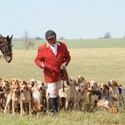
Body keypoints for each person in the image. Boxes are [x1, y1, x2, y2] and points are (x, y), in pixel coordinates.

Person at [35, 30, 71, 114]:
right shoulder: (42, 48)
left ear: (55, 37)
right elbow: (37, 60)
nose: (50, 41)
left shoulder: (62, 46)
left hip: (61, 73)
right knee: (52, 90)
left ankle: (56, 108)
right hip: (50, 74)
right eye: (48, 39)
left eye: (52, 38)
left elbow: (68, 57)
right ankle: (54, 110)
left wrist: (65, 63)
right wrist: (41, 65)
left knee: (58, 90)